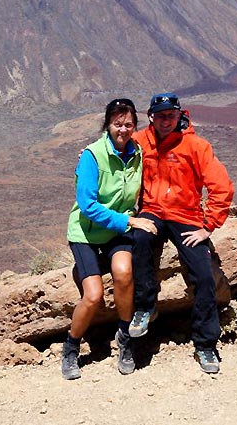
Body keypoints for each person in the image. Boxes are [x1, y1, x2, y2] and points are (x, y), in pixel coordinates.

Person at [129, 92, 234, 374]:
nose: (166, 121)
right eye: (161, 115)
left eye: (171, 116)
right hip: (152, 210)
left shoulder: (196, 146)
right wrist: (86, 156)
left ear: (180, 116)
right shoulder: (139, 141)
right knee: (138, 240)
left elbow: (221, 187)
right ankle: (145, 307)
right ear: (151, 116)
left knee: (202, 274)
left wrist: (208, 225)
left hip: (186, 216)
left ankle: (206, 344)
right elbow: (110, 152)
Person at [62, 98, 158, 380]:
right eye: (117, 124)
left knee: (124, 273)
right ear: (107, 125)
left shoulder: (137, 152)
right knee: (93, 296)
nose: (123, 129)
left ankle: (126, 338)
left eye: (129, 124)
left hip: (116, 232)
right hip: (87, 233)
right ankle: (70, 347)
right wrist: (129, 220)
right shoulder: (92, 156)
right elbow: (88, 205)